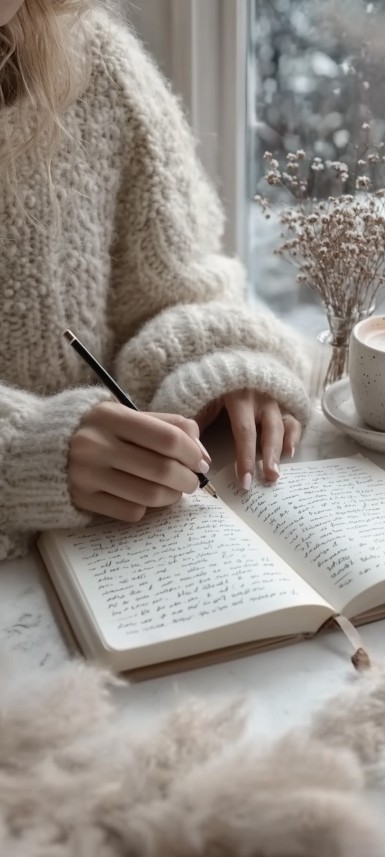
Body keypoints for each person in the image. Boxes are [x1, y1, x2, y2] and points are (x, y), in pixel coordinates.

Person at [0, 0, 310, 561]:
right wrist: (22, 452)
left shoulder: (92, 62)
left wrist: (217, 365)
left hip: (119, 555)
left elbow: (172, 287)